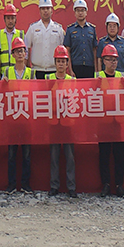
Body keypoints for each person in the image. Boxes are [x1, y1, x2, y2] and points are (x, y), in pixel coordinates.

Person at [95, 45, 124, 198]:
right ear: (103, 61)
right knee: (104, 154)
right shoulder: (98, 77)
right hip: (103, 121)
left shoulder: (122, 76)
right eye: (109, 59)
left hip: (118, 121)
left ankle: (119, 185)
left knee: (119, 155)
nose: (112, 62)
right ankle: (106, 184)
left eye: (114, 59)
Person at [2, 37, 33, 193]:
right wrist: (3, 83)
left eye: (22, 51)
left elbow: (36, 94)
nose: (20, 54)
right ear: (12, 55)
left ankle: (26, 184)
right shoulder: (7, 72)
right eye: (17, 51)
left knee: (27, 155)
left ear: (26, 54)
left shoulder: (31, 73)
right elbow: (1, 93)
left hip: (26, 118)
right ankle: (12, 184)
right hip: (12, 118)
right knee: (11, 154)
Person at [48, 45, 76, 197]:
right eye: (58, 61)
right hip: (53, 122)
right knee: (54, 156)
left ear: (67, 64)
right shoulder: (48, 79)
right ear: (55, 63)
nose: (60, 64)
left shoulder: (73, 80)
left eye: (63, 61)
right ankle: (54, 186)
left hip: (68, 123)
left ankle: (71, 187)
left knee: (70, 156)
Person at [24, 0, 66, 79]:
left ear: (52, 10)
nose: (45, 11)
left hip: (54, 71)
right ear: (39, 11)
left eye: (48, 8)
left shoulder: (58, 29)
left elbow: (64, 49)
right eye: (43, 9)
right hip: (37, 70)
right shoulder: (33, 28)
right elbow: (27, 48)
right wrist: (27, 66)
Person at [63, 0, 97, 79]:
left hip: (89, 66)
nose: (80, 13)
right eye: (78, 10)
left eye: (82, 10)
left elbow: (94, 50)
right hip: (75, 66)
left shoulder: (92, 29)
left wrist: (96, 70)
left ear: (86, 12)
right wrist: (70, 70)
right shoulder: (70, 29)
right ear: (74, 13)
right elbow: (68, 50)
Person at [0, 4, 25, 74]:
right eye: (8, 18)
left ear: (16, 19)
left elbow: (25, 55)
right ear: (4, 19)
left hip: (17, 73)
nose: (10, 21)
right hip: (3, 73)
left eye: (12, 18)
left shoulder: (21, 35)